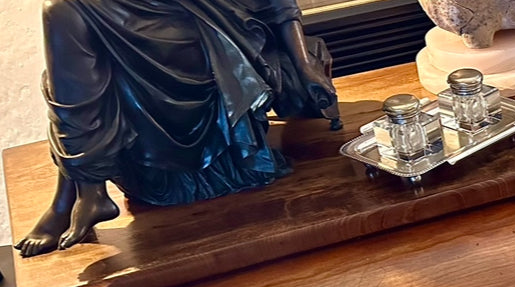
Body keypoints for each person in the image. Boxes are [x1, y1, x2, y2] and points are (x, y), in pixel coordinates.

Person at [17, 0, 340, 257]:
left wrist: (303, 63)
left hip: (199, 21)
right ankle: (83, 192)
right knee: (62, 17)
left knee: (65, 14)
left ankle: (82, 191)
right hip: (129, 15)